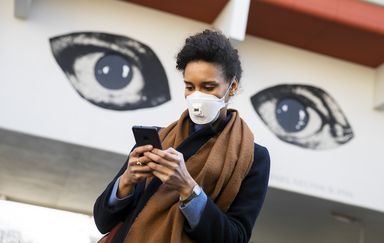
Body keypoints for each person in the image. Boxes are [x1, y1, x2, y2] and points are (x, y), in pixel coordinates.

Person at [93, 29, 271, 243]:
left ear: (231, 87)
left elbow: (235, 238)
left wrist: (188, 188)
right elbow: (102, 220)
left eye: (208, 87)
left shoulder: (253, 157)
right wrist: (126, 181)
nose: (197, 96)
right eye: (190, 86)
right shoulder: (158, 139)